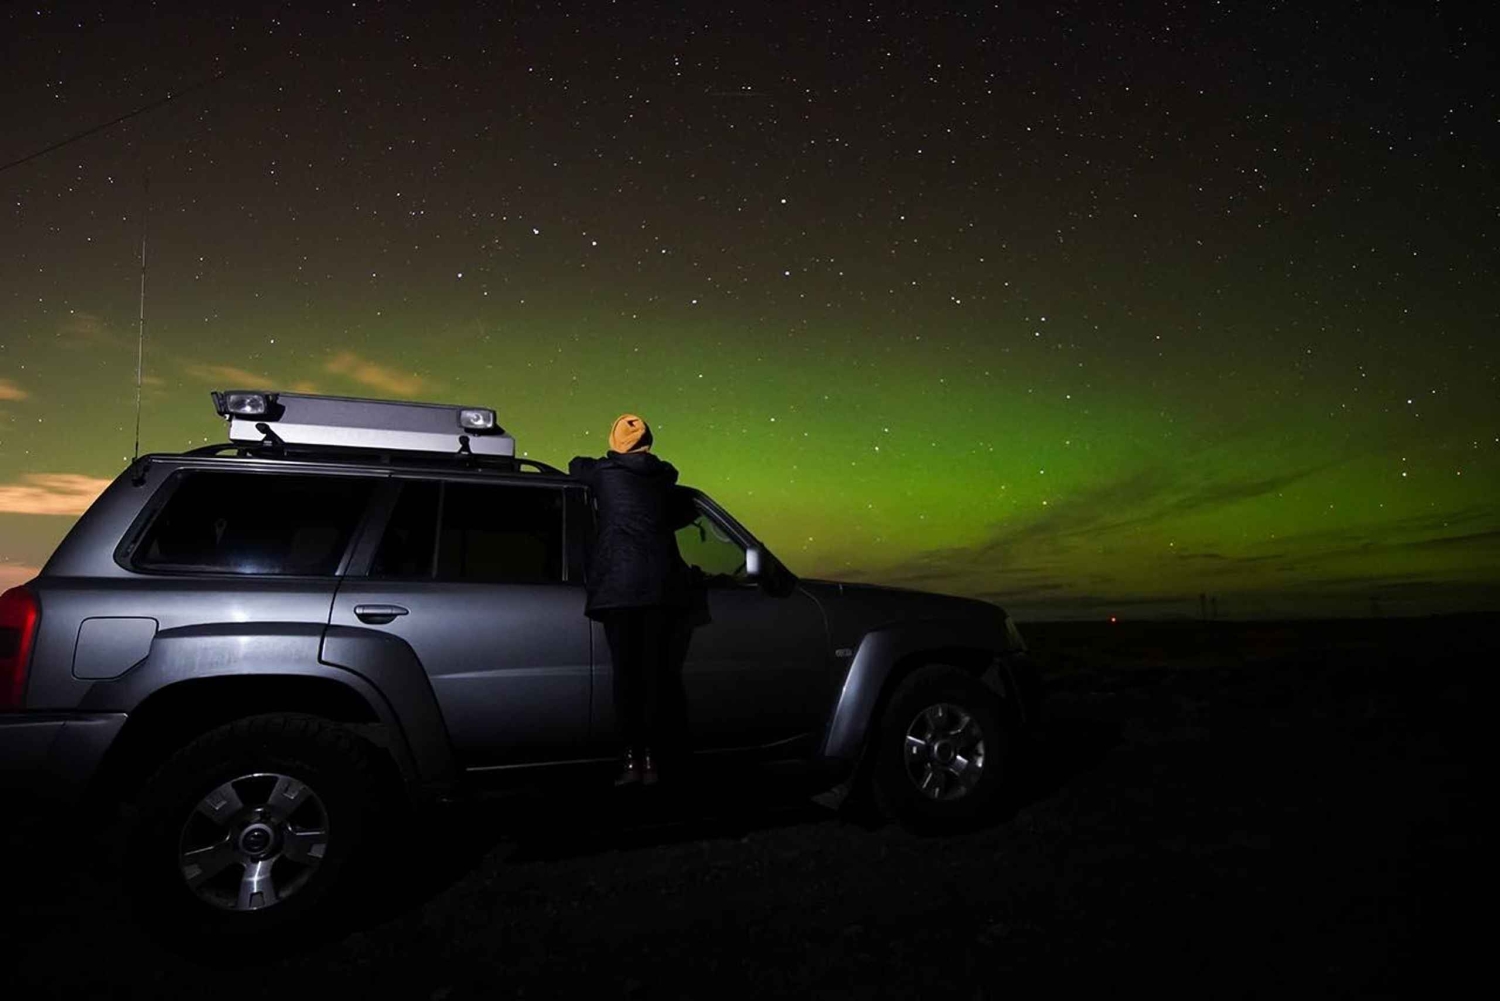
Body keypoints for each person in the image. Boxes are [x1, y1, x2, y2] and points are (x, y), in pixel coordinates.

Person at [569, 414, 694, 787]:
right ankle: (653, 762)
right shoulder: (663, 478)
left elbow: (576, 466)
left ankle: (629, 762)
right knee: (656, 678)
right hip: (659, 590)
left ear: (615, 443)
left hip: (619, 591)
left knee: (627, 679)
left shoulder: (604, 473)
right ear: (648, 443)